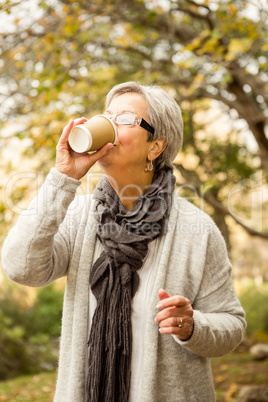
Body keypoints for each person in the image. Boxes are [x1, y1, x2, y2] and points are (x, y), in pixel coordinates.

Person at [1, 81, 246, 402]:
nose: (110, 126)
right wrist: (63, 177)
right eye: (107, 116)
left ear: (155, 146)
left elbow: (232, 324)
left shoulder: (196, 228)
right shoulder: (78, 215)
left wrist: (192, 326)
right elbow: (21, 268)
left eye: (125, 119)